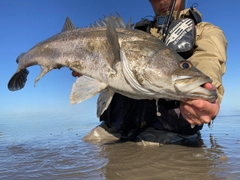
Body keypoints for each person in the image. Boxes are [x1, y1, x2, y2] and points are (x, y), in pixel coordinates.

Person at [73, 0, 227, 145]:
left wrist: (208, 93)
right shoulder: (133, 33)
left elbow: (209, 59)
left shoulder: (206, 31)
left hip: (168, 136)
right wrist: (90, 69)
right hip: (114, 130)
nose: (163, 1)